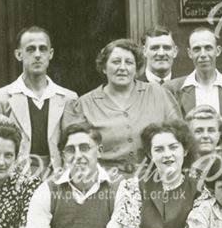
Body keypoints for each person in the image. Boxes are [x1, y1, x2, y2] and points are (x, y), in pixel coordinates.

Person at [62, 39, 182, 179]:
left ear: (136, 68)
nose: (122, 68)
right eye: (116, 62)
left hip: (155, 181)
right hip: (105, 185)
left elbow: (180, 139)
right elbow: (73, 152)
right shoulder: (83, 105)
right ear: (104, 68)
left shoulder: (159, 95)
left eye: (129, 62)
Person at [0, 26, 77, 176]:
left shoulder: (68, 98)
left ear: (51, 54)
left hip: (56, 177)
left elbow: (73, 145)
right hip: (14, 179)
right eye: (30, 49)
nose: (37, 55)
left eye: (42, 49)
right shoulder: (0, 99)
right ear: (18, 55)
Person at [164, 27, 222, 117]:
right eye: (197, 49)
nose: (203, 54)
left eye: (208, 48)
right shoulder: (173, 89)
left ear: (218, 51)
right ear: (189, 53)